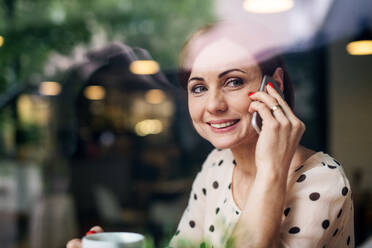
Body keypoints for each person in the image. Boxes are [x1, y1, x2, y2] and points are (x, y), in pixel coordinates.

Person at [67, 21, 354, 248]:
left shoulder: (323, 180)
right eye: (199, 88)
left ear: (274, 85)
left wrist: (271, 170)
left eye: (233, 81)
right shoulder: (217, 165)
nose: (214, 105)